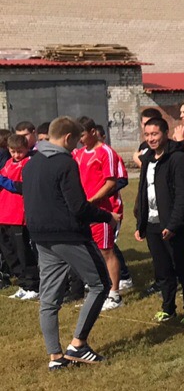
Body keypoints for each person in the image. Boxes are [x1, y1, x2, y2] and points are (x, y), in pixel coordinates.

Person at [25, 117, 119, 369]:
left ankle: (55, 357)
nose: (77, 146)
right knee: (101, 284)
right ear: (68, 138)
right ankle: (78, 345)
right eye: (76, 141)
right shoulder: (65, 162)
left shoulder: (32, 163)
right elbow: (78, 207)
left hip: (41, 237)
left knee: (49, 298)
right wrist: (107, 217)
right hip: (69, 235)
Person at [134, 116, 184, 323]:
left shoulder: (178, 159)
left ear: (165, 134)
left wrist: (173, 224)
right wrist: (141, 222)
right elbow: (143, 191)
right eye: (147, 135)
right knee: (163, 270)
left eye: (155, 134)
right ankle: (168, 308)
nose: (151, 139)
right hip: (152, 224)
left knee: (183, 267)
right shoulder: (147, 159)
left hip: (173, 225)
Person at [72, 117, 128, 310]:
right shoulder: (78, 153)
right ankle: (98, 291)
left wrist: (92, 201)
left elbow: (112, 182)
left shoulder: (106, 152)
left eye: (82, 135)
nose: (80, 140)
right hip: (82, 211)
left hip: (100, 210)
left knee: (106, 251)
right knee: (88, 251)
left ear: (93, 132)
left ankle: (114, 295)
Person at [0, 133, 40, 300]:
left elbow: (22, 186)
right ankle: (22, 283)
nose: (16, 155)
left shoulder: (28, 163)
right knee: (9, 252)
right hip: (4, 213)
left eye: (20, 151)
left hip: (18, 215)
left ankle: (33, 285)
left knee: (23, 252)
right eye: (13, 151)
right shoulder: (9, 163)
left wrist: (3, 181)